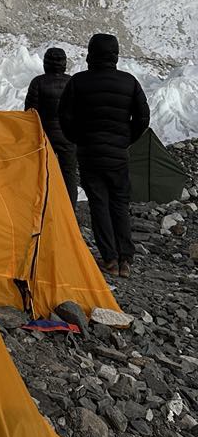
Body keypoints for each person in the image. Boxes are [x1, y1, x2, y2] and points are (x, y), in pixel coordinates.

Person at [58, 34, 150, 279]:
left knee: (99, 203)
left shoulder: (78, 82)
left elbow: (64, 117)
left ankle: (109, 259)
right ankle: (125, 260)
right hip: (118, 155)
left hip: (89, 154)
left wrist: (79, 139)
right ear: (115, 56)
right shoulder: (129, 82)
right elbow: (142, 118)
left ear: (90, 55)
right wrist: (125, 140)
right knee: (120, 203)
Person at [24, 47, 79, 210]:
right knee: (68, 174)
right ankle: (69, 210)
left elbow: (30, 112)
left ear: (45, 63)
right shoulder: (72, 82)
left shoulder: (38, 82)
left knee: (42, 172)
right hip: (68, 136)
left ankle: (44, 207)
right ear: (64, 64)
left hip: (44, 135)